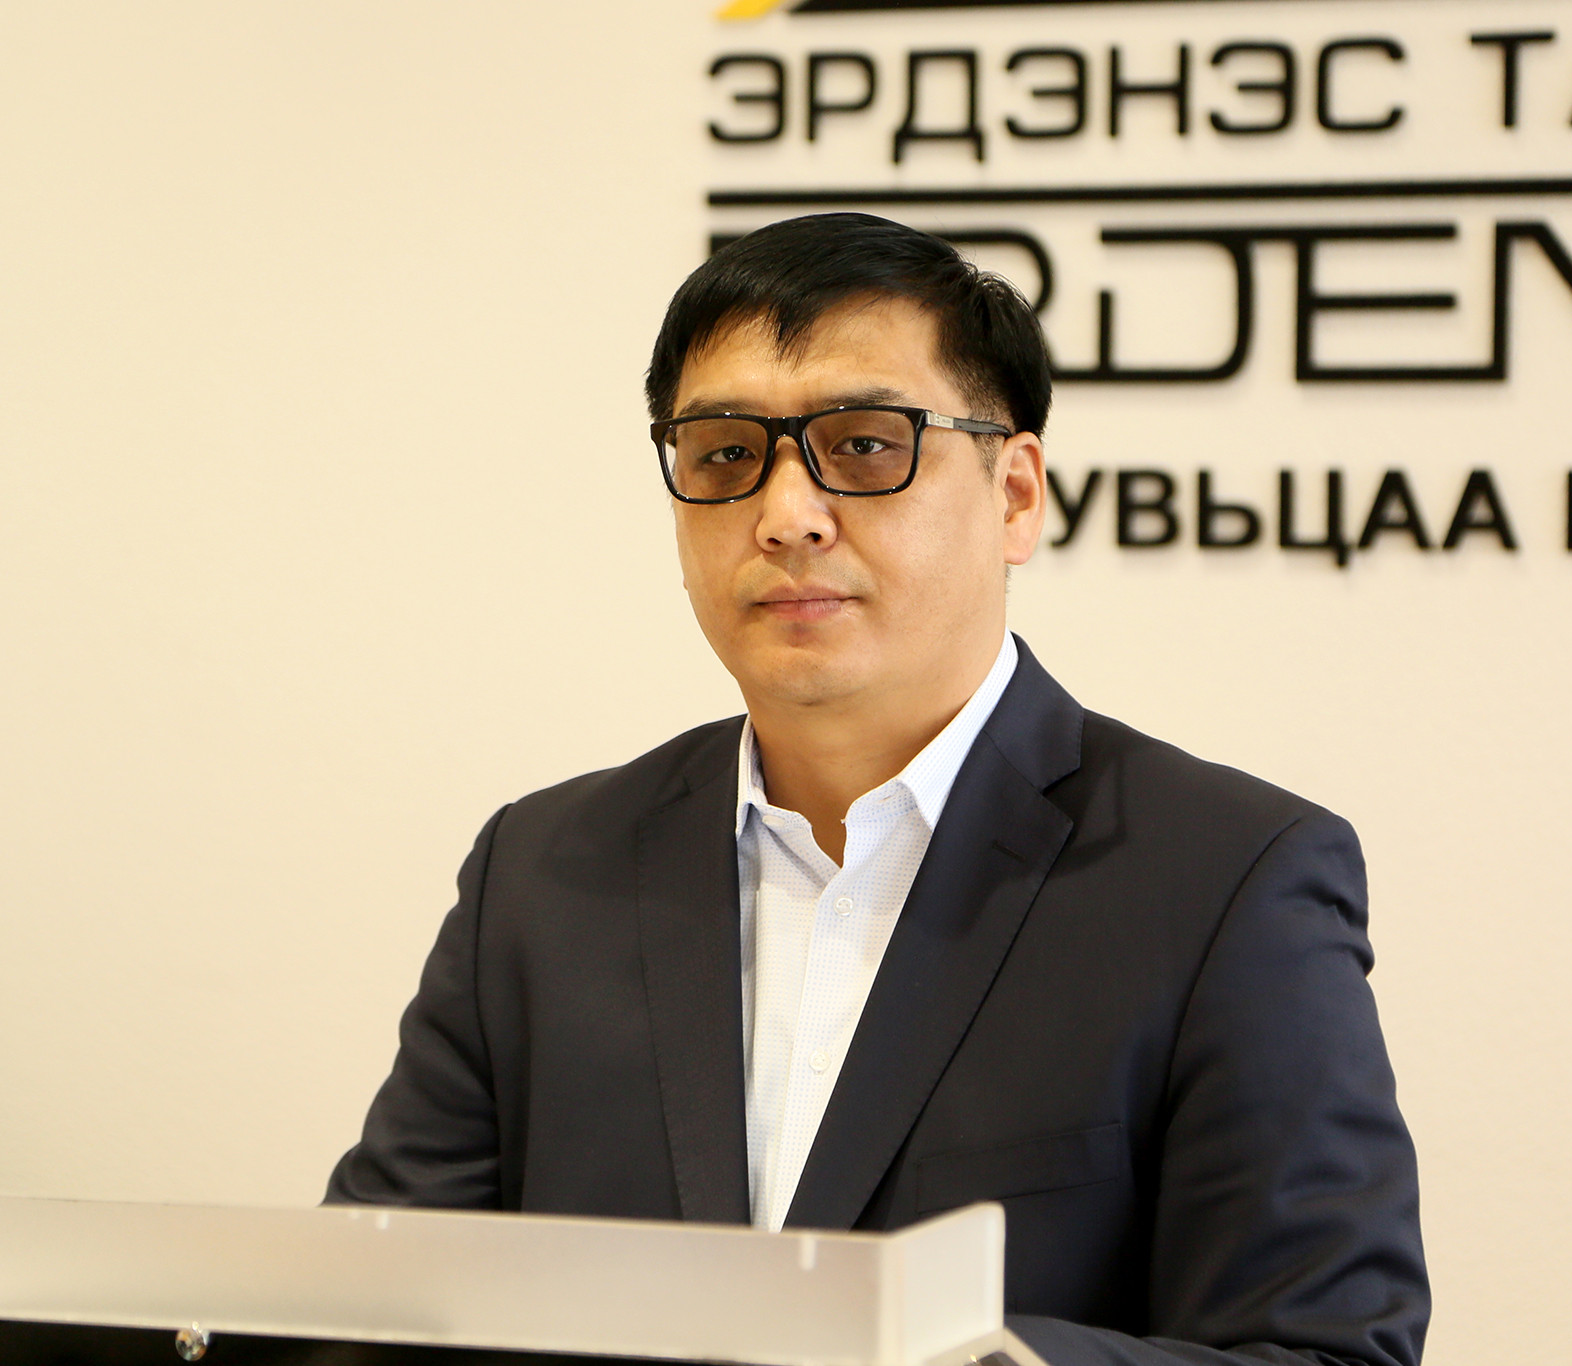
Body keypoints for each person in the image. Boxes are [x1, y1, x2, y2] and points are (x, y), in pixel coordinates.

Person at [326, 213, 1430, 1366]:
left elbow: (1324, 1352)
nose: (786, 515)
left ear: (1015, 494)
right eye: (725, 454)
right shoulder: (542, 874)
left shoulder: (1224, 881)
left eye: (862, 445)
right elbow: (366, 1318)